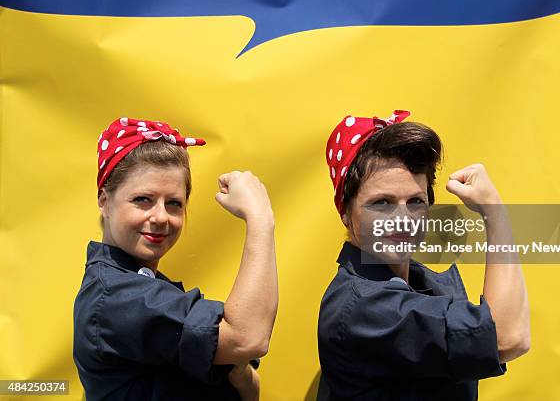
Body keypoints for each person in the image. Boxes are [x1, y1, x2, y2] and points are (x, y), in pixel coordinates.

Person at [317, 110, 530, 400]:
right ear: (345, 211)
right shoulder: (364, 308)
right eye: (382, 203)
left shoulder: (420, 282)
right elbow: (507, 337)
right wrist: (494, 213)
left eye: (416, 201)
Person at [73, 117, 278, 400]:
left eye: (174, 203)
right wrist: (260, 218)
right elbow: (248, 338)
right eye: (143, 199)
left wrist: (235, 360)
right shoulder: (118, 298)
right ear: (104, 201)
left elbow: (247, 382)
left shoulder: (147, 287)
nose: (160, 217)